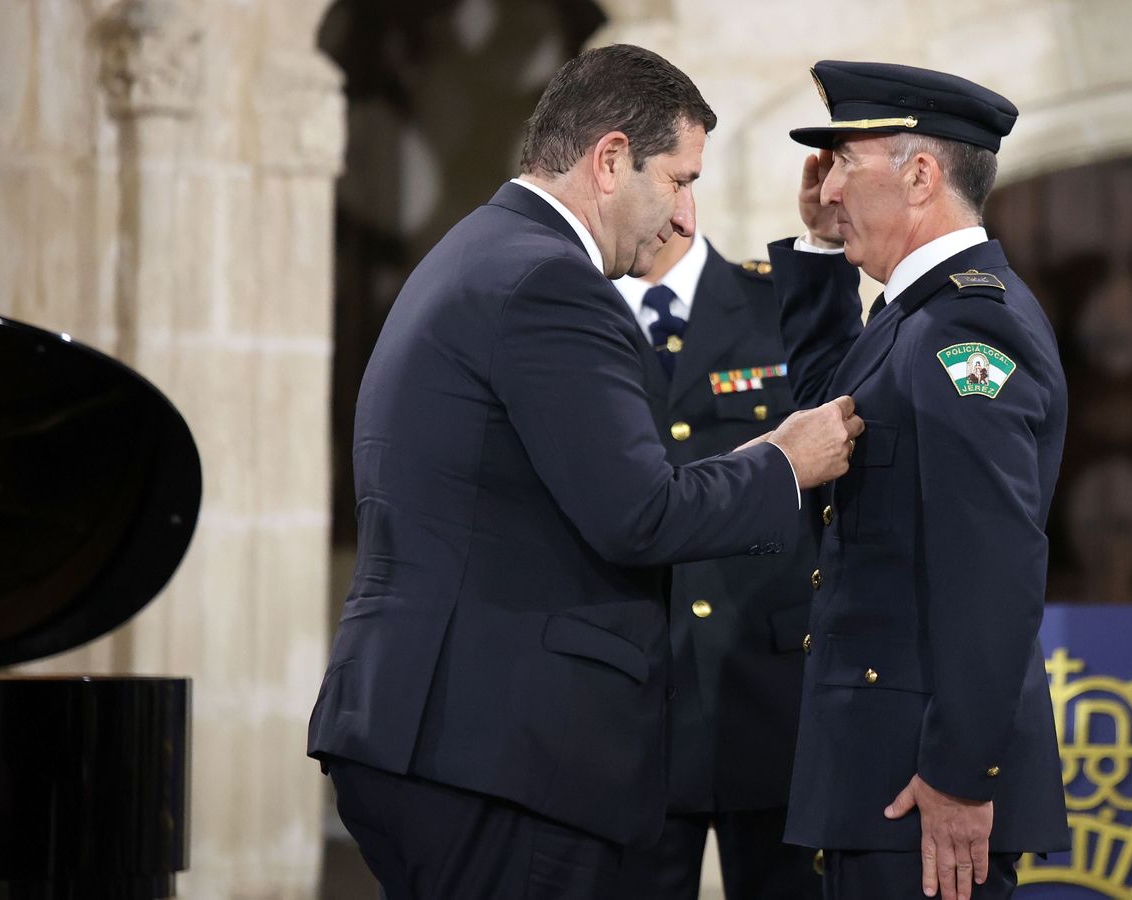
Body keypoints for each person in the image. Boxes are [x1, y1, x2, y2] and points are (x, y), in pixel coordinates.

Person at [306, 44, 863, 900]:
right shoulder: (547, 281)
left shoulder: (478, 251)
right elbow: (640, 512)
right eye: (678, 180)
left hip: (439, 735)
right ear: (609, 160)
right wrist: (784, 463)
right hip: (500, 751)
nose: (683, 218)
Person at [769, 61, 1072, 900]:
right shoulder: (917, 316)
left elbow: (994, 569)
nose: (828, 188)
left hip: (924, 788)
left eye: (844, 162)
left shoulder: (965, 330)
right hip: (885, 772)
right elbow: (832, 420)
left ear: (921, 176)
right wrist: (821, 252)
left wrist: (961, 775)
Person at [608, 231, 824, 899]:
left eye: (681, 181)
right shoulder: (578, 318)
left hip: (776, 695)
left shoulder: (778, 303)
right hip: (636, 706)